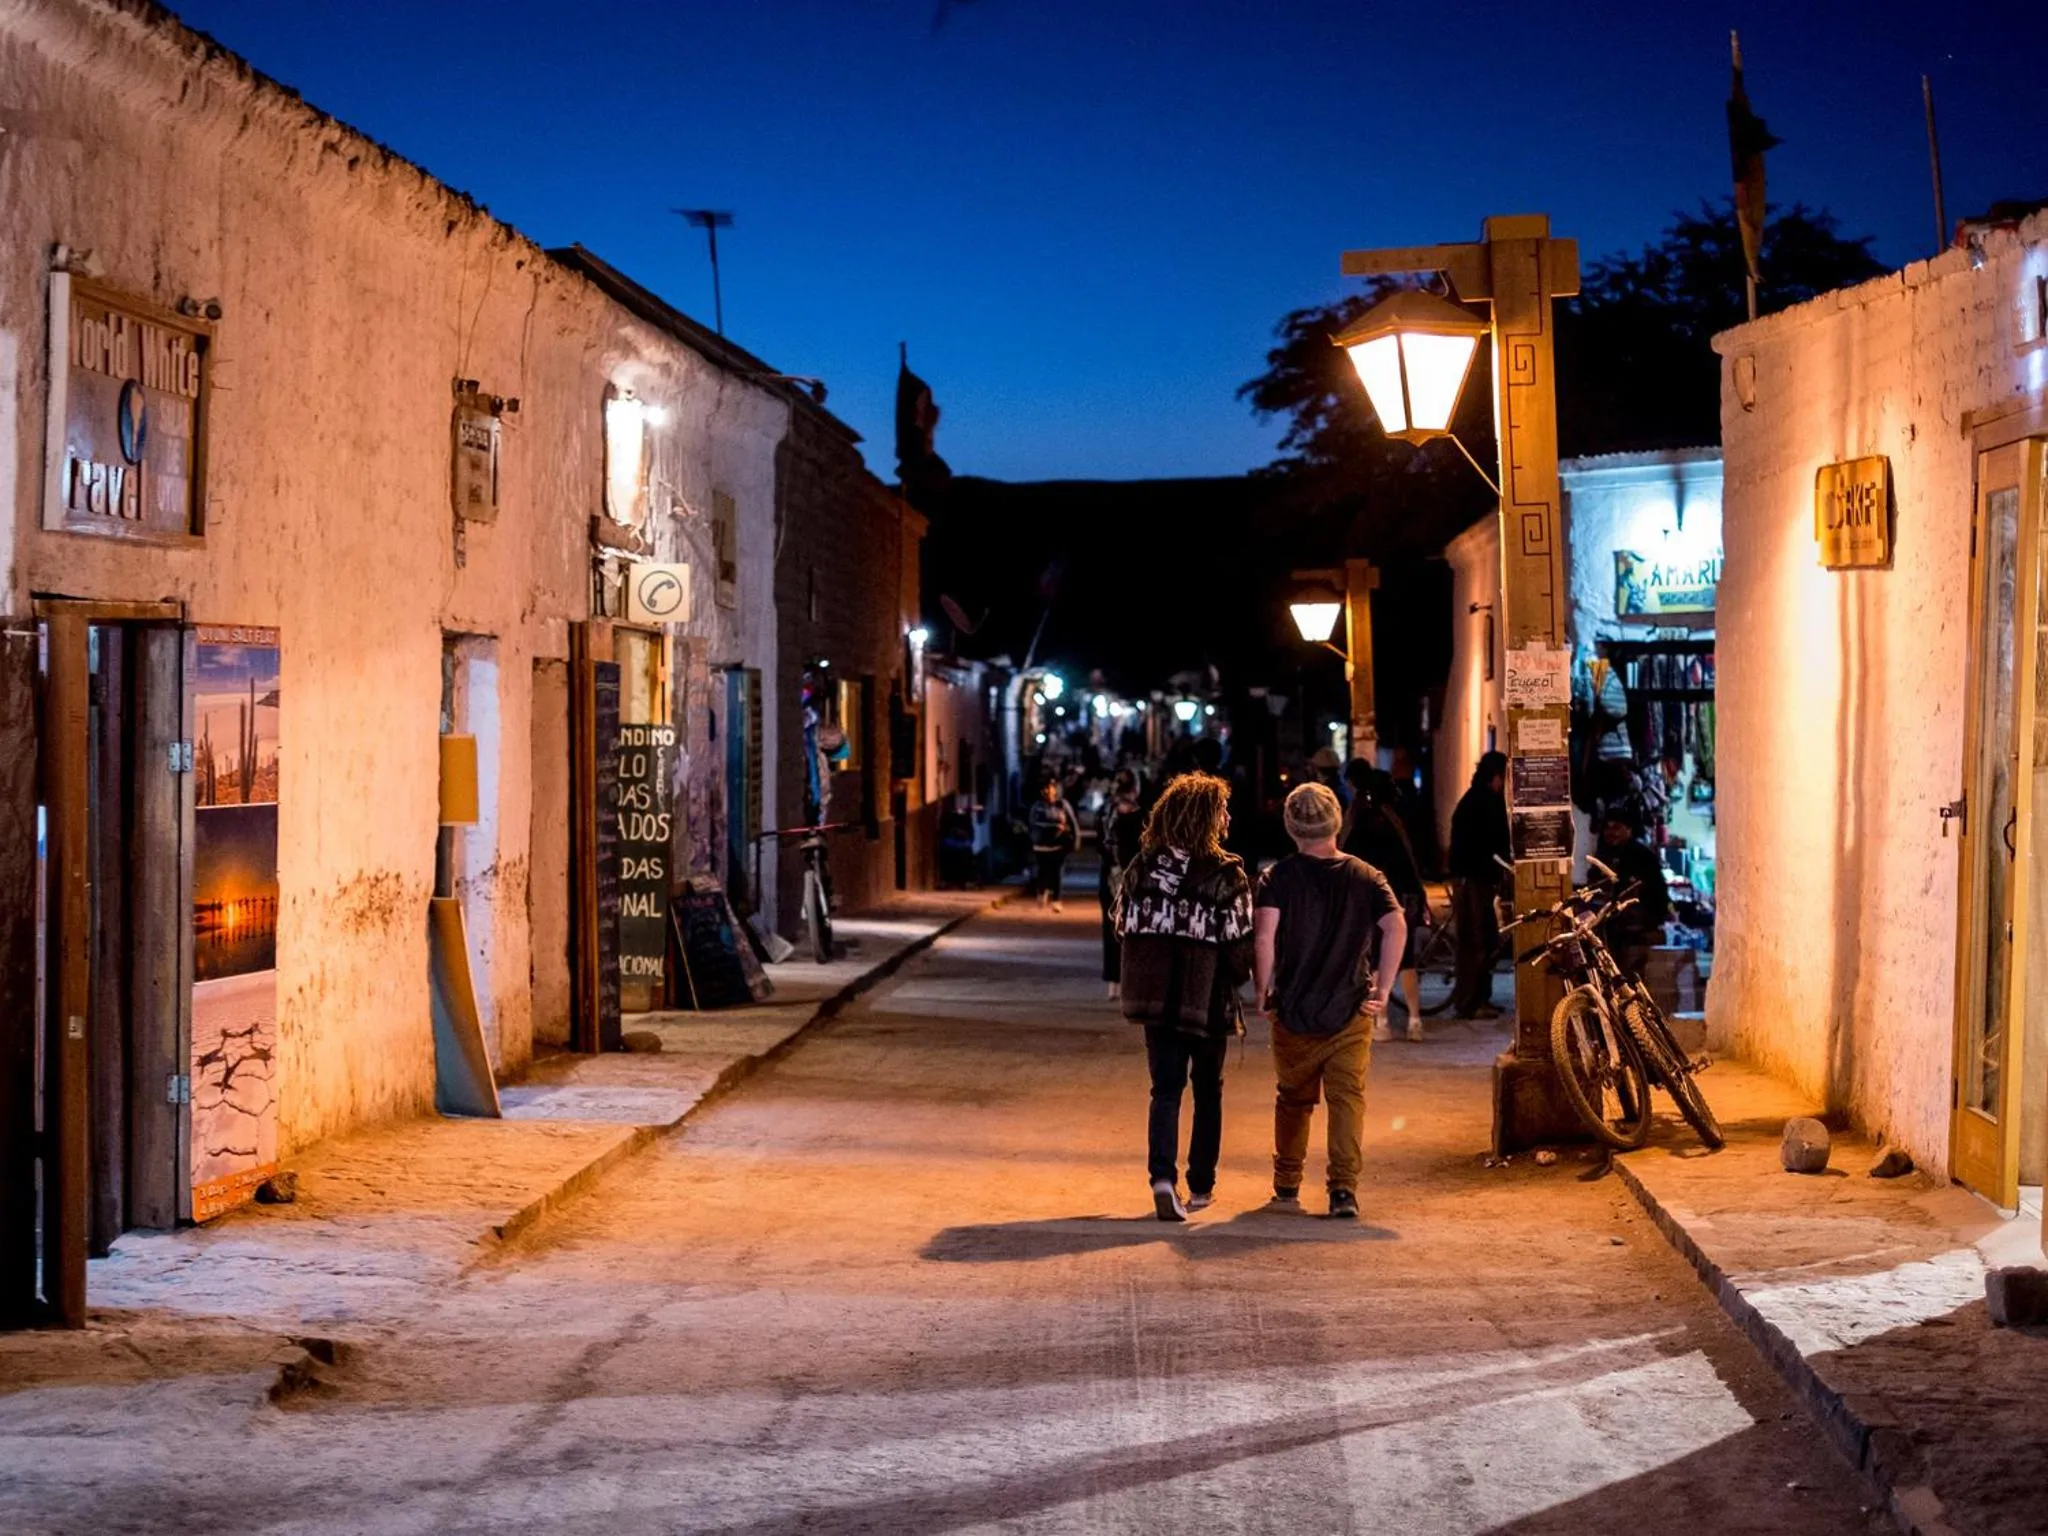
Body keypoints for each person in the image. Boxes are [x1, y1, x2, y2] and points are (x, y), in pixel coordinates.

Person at [1253, 782, 1405, 1221]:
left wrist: (1262, 991)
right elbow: (1395, 927)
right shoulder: (1366, 876)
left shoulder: (1277, 878)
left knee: (1293, 1099)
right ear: (1337, 822)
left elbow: (1264, 938)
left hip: (1294, 1009)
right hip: (1351, 1011)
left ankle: (1287, 1182)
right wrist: (1382, 987)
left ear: (1291, 827)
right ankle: (1343, 1191)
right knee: (1347, 1099)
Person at [1113, 771, 1254, 1221]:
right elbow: (1238, 949)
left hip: (1156, 999)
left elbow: (1121, 924)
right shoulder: (1226, 875)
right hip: (1207, 999)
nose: (1228, 817)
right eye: (1222, 810)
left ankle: (1161, 1179)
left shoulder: (1141, 866)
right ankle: (1201, 1185)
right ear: (1207, 820)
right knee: (1208, 1090)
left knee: (1165, 1090)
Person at [1340, 762, 1429, 1041]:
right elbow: (1411, 863)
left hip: (1374, 900)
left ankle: (1383, 1022)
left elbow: (1349, 862)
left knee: (1378, 959)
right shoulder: (1398, 820)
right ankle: (1415, 1021)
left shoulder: (1361, 822)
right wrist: (1420, 896)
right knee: (1407, 961)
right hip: (1402, 898)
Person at [1447, 751, 1510, 1019]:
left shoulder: (1473, 799)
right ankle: (1471, 1002)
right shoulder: (1485, 802)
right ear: (1496, 776)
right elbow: (1493, 842)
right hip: (1475, 880)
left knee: (1482, 939)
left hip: (1474, 878)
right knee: (1478, 941)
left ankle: (1478, 998)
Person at [1594, 803, 1671, 980]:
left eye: (1617, 827)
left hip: (1636, 932)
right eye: (1607, 827)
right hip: (1612, 931)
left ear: (1628, 830)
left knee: (1631, 979)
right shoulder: (1604, 855)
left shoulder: (1641, 856)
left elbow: (1657, 893)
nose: (1611, 832)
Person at [1028, 778, 1079, 912]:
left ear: (1055, 790)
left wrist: (1075, 841)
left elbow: (1073, 824)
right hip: (1041, 846)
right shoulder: (1037, 806)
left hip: (1058, 845)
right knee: (1043, 871)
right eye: (1044, 788)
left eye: (1049, 787)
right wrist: (1054, 826)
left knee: (1057, 872)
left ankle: (1057, 900)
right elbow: (1033, 825)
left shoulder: (1062, 805)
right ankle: (1041, 892)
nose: (1047, 791)